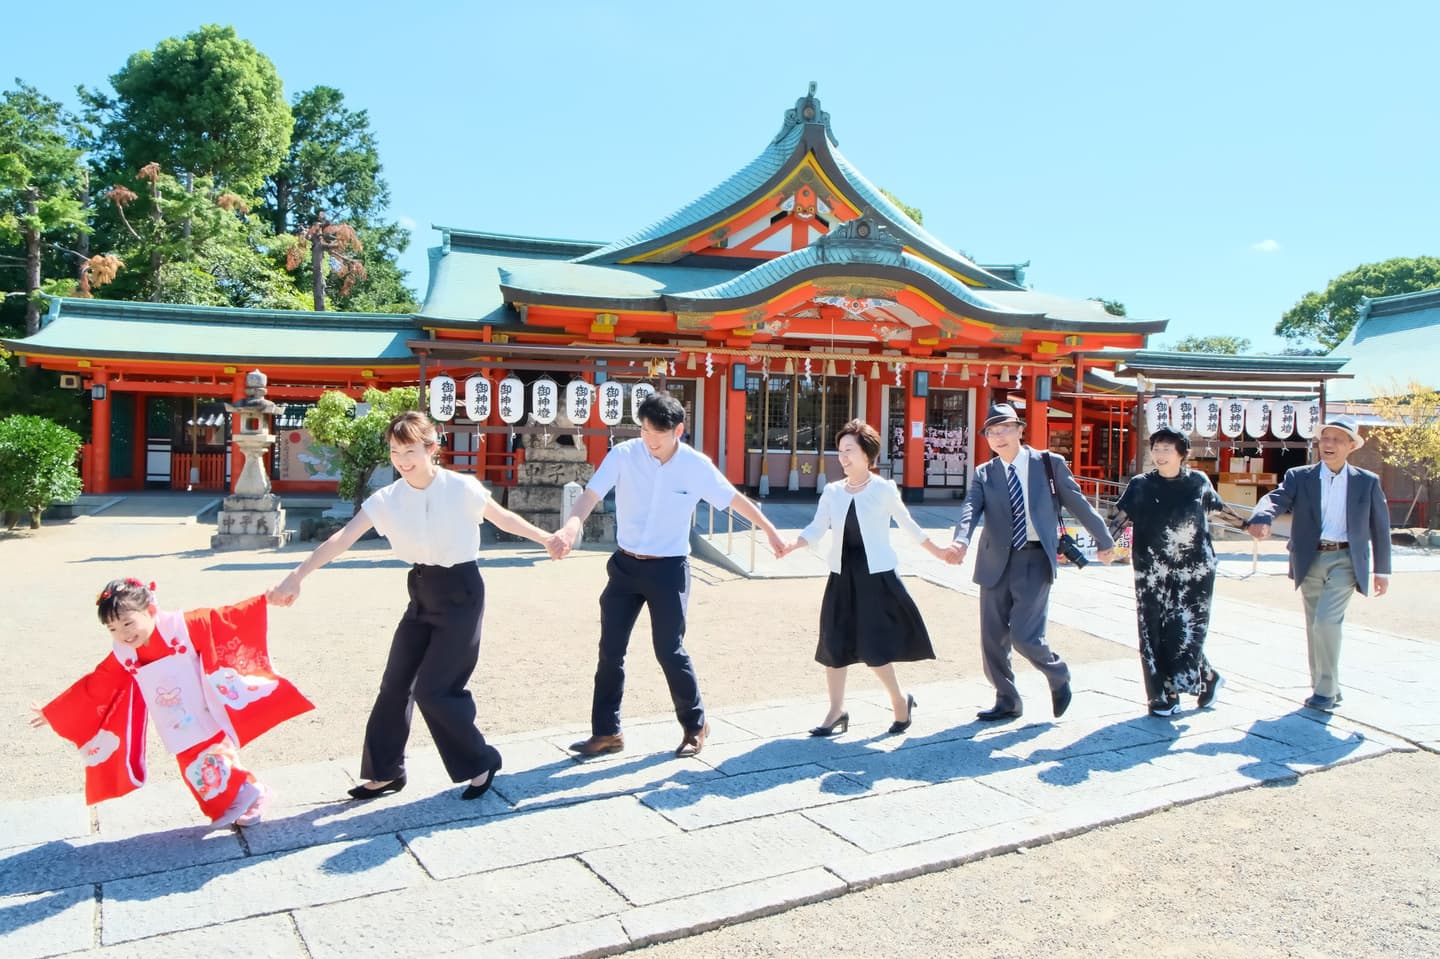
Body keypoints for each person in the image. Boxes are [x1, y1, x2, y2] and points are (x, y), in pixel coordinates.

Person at [269, 410, 562, 801]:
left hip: (461, 592)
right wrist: (297, 576)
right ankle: (385, 772)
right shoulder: (388, 499)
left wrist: (546, 538)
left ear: (431, 448)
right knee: (395, 683)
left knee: (436, 689)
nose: (402, 461)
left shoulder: (460, 488)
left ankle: (481, 760)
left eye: (410, 451)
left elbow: (503, 518)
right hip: (421, 589)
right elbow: (342, 539)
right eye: (395, 452)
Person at [554, 391, 785, 758]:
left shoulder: (696, 466)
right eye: (644, 431)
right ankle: (607, 732)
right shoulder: (625, 455)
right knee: (610, 650)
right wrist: (570, 527)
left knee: (669, 650)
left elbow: (733, 499)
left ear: (678, 431)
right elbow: (591, 494)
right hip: (625, 566)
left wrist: (769, 530)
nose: (649, 441)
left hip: (669, 568)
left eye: (657, 435)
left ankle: (695, 725)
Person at [29, 578, 311, 828]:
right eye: (113, 629)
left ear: (150, 611)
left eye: (128, 623)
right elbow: (98, 683)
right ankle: (246, 794)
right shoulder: (124, 652)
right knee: (190, 766)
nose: (124, 634)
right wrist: (57, 711)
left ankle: (252, 792)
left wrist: (263, 601)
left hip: (203, 705)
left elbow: (225, 618)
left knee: (209, 756)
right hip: (173, 718)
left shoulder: (182, 626)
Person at [779, 420, 949, 737]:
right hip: (841, 575)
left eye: (849, 451)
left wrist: (938, 551)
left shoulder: (883, 489)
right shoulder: (832, 491)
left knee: (874, 646)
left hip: (876, 576)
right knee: (834, 642)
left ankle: (899, 700)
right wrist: (793, 543)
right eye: (839, 451)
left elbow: (908, 525)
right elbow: (817, 527)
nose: (842, 458)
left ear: (867, 453)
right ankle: (835, 710)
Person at [946, 403, 1115, 721]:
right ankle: (1007, 698)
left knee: (1025, 636)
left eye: (1005, 428)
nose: (998, 437)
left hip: (1035, 560)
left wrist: (1104, 541)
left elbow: (1078, 503)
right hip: (994, 561)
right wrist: (961, 540)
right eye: (992, 432)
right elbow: (971, 509)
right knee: (991, 638)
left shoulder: (1049, 464)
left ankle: (1058, 671)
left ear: (1020, 430)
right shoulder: (985, 474)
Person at [1244, 415, 1391, 711]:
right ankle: (1327, 687)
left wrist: (1382, 569)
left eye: (1337, 439)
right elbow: (1277, 498)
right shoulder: (1301, 476)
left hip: (1346, 559)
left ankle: (1324, 691)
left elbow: (1380, 526)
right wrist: (1262, 516)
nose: (1329, 444)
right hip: (1309, 557)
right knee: (1314, 624)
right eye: (1325, 438)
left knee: (1326, 620)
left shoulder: (1367, 482)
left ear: (1351, 446)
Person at [1112, 427, 1247, 717]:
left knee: (1183, 632)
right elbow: (1123, 521)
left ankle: (1193, 683)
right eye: (1156, 449)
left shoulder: (1198, 482)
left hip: (1194, 572)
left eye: (1166, 450)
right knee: (1152, 632)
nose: (1159, 455)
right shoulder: (1140, 485)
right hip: (1151, 572)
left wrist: (1248, 526)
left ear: (1182, 454)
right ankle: (1165, 693)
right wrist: (1113, 548)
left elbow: (1220, 510)